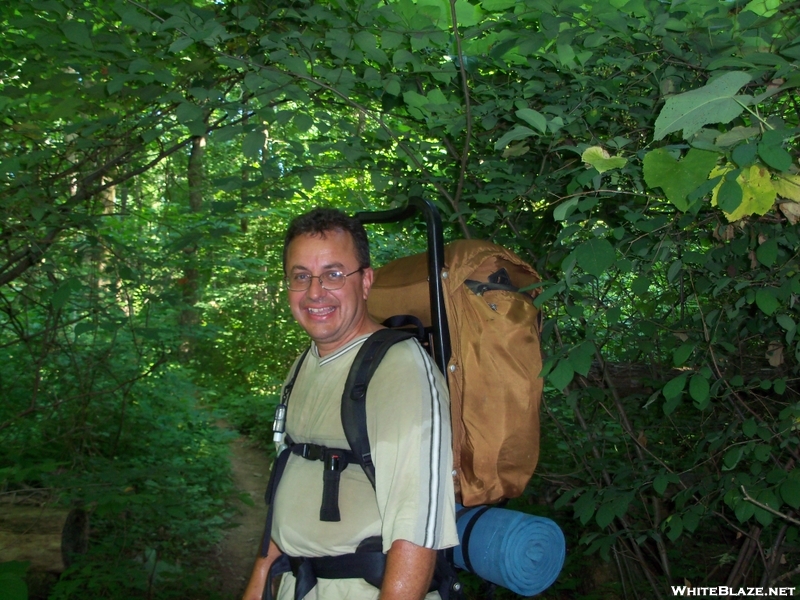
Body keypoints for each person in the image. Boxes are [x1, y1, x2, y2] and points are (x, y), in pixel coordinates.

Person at [242, 208, 458, 600]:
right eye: (301, 276)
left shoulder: (399, 370)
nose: (314, 292)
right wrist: (258, 586)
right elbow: (287, 484)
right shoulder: (303, 364)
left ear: (366, 281)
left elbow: (418, 530)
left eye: (334, 274)